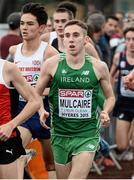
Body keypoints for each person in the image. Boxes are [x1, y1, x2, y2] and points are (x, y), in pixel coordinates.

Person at [36, 19, 115, 179]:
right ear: (63, 39)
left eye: (76, 35)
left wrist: (106, 111)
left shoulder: (98, 66)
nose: (71, 39)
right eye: (67, 36)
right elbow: (35, 94)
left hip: (87, 134)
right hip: (60, 134)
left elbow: (110, 96)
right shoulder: (51, 64)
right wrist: (41, 110)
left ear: (85, 40)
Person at [8, 2, 58, 177]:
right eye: (22, 23)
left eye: (30, 24)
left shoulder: (50, 53)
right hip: (24, 111)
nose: (24, 28)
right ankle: (23, 163)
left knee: (50, 162)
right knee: (15, 152)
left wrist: (35, 93)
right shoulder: (14, 51)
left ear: (42, 28)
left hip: (47, 111)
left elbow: (58, 87)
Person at [0, 59, 41, 179]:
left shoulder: (7, 68)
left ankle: (21, 159)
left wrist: (11, 125)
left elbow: (35, 101)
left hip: (4, 140)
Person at [110, 25, 134, 179]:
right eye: (128, 39)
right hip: (123, 104)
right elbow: (111, 75)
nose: (131, 42)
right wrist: (111, 94)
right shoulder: (120, 56)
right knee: (122, 146)